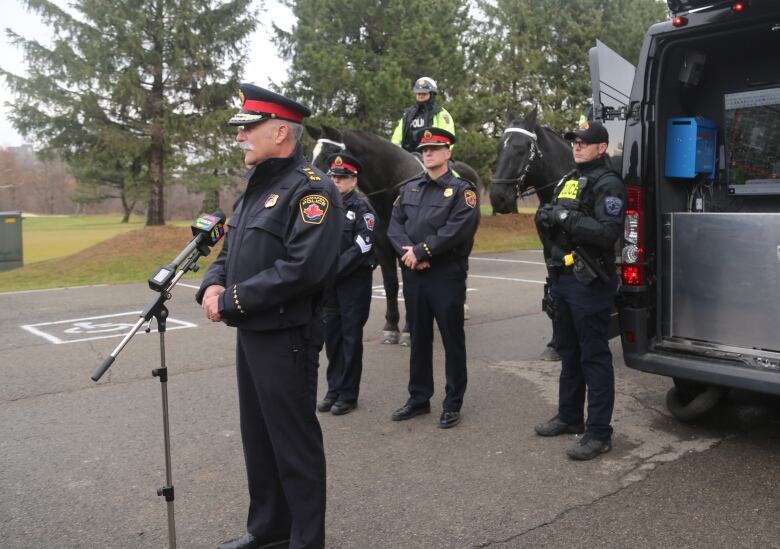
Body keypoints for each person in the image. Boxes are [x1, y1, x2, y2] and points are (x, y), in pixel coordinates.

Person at [197, 83, 342, 549]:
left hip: (287, 335)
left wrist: (233, 299)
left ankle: (305, 540)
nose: (240, 137)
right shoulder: (255, 190)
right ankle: (268, 529)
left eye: (248, 128)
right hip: (253, 333)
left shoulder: (312, 190)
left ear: (281, 132)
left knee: (293, 443)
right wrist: (213, 282)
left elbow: (304, 268)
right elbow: (230, 249)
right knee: (258, 438)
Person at [533, 120, 625, 461]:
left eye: (584, 142)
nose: (577, 146)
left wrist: (562, 218)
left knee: (593, 357)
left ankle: (599, 433)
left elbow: (605, 233)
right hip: (562, 277)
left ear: (601, 147)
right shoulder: (568, 180)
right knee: (568, 353)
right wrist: (547, 217)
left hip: (589, 280)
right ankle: (570, 417)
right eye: (574, 141)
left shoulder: (609, 183)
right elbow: (551, 218)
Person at [387, 127, 479, 429]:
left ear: (448, 152)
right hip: (414, 274)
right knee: (419, 338)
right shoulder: (410, 188)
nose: (428, 152)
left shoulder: (462, 190)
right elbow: (395, 226)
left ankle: (453, 401)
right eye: (425, 149)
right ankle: (419, 398)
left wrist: (423, 251)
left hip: (445, 275)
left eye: (435, 148)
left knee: (452, 339)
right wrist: (408, 253)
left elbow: (457, 230)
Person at [316, 151, 377, 416]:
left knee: (351, 339)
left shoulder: (362, 208)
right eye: (334, 177)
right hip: (330, 287)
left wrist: (332, 269)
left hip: (353, 282)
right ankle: (334, 388)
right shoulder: (326, 206)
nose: (337, 182)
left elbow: (362, 246)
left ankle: (349, 394)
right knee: (332, 338)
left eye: (342, 178)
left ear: (354, 179)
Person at [391, 77, 455, 153]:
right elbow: (397, 138)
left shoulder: (440, 113)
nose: (421, 95)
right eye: (418, 93)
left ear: (432, 94)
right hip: (408, 156)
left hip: (432, 154)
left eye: (424, 93)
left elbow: (448, 137)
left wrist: (439, 154)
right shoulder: (408, 114)